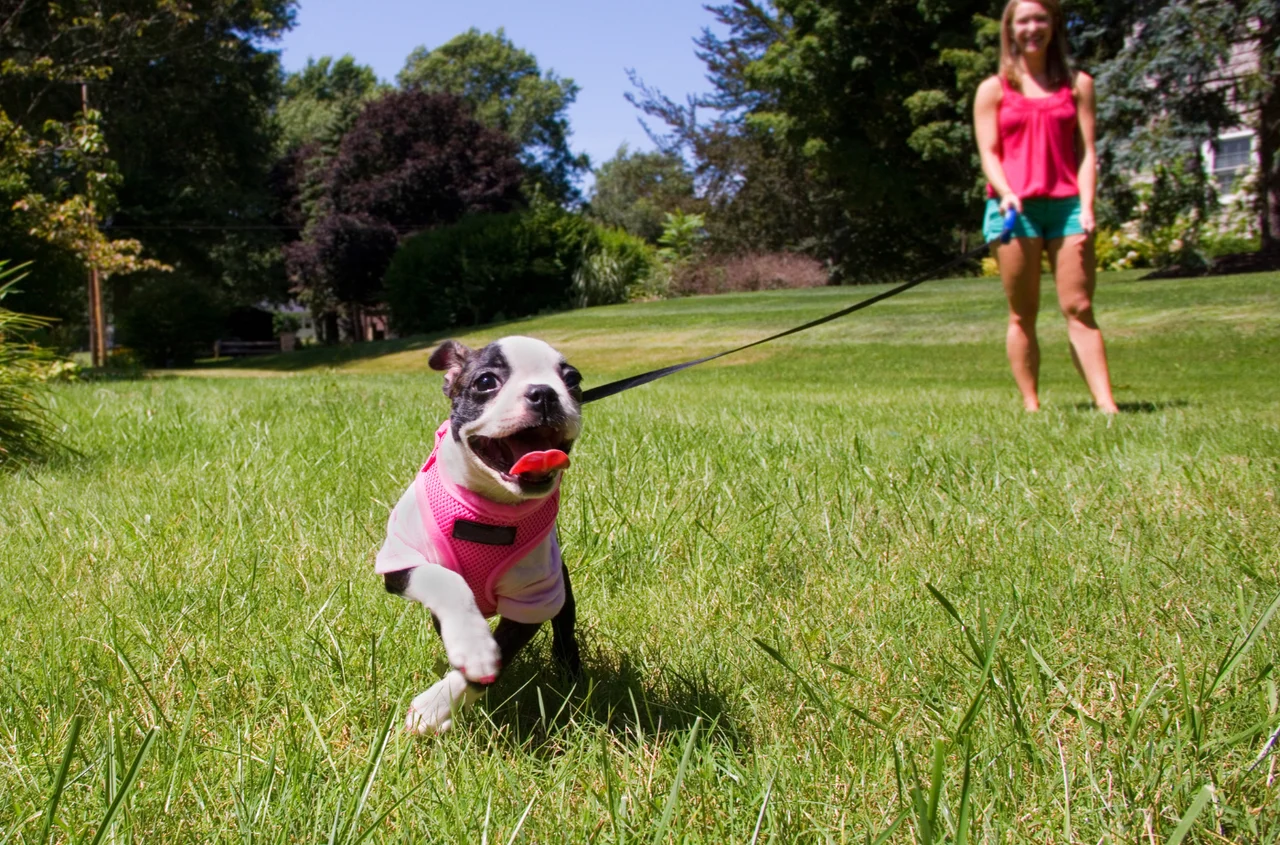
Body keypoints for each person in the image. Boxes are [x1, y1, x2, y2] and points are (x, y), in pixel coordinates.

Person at [973, 0, 1119, 414]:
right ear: (1010, 29)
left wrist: (1087, 205)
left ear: (1054, 25)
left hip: (1068, 204)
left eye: (1041, 19)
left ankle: (1107, 405)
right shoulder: (995, 89)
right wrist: (1006, 190)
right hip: (1013, 210)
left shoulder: (1077, 84)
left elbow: (1088, 151)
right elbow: (989, 151)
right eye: (1024, 20)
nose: (1032, 28)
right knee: (1024, 312)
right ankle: (1032, 404)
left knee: (1080, 307)